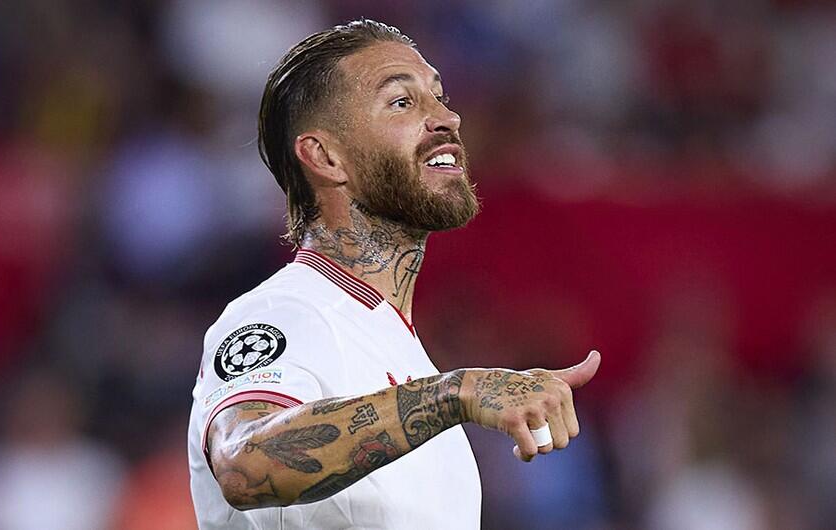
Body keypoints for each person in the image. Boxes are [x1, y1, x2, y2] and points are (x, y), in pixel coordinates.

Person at [187, 19, 601, 530]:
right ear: (325, 156)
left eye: (439, 97)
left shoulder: (399, 352)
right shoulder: (285, 311)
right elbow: (243, 464)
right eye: (402, 102)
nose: (447, 117)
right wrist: (457, 392)